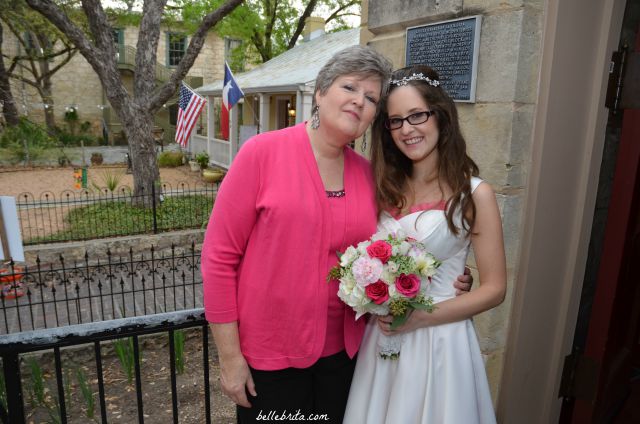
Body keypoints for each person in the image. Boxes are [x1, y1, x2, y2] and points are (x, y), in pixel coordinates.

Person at [201, 48, 473, 423]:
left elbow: (401, 243)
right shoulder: (260, 154)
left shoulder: (369, 175)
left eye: (372, 98)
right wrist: (230, 359)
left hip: (346, 359)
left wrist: (448, 277)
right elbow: (218, 258)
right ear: (321, 92)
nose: (359, 101)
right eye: (350, 87)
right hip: (271, 358)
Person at [343, 65, 507, 424]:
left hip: (440, 343)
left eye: (417, 115)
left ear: (441, 116)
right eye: (395, 120)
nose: (407, 129)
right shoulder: (381, 186)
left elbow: (495, 290)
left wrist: (418, 318)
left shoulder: (475, 194)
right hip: (382, 341)